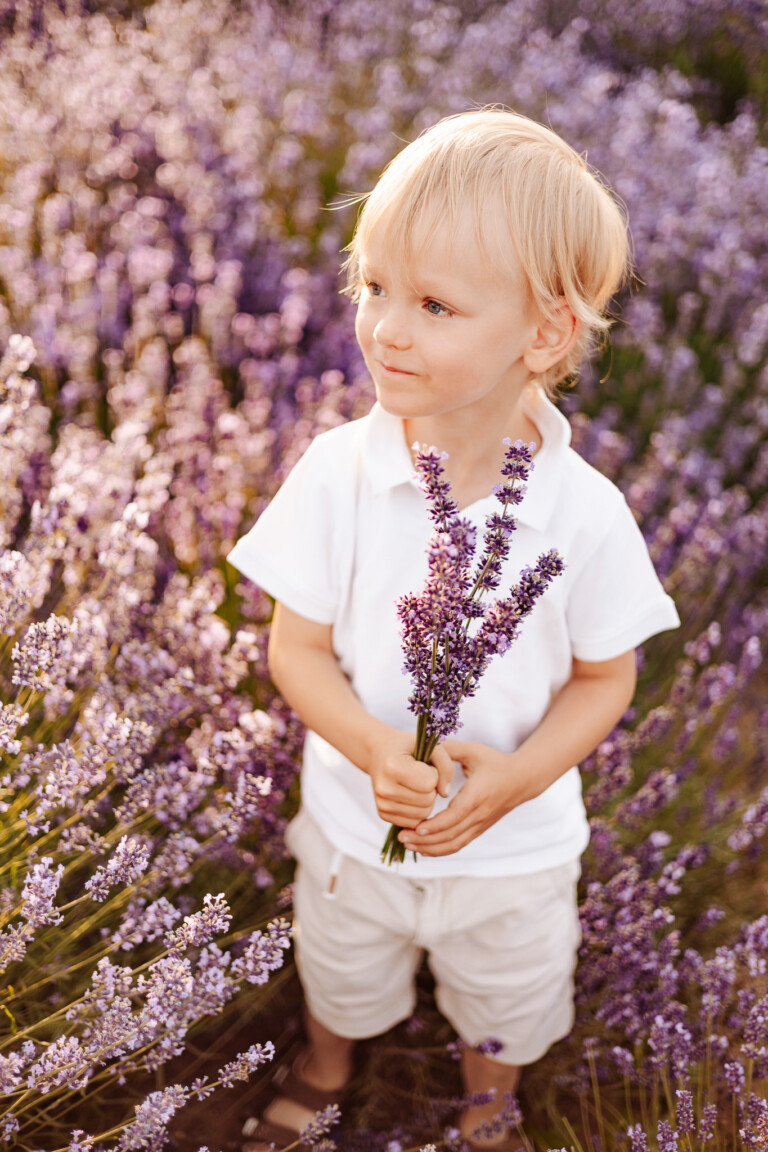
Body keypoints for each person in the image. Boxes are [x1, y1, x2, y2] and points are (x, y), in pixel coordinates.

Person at [227, 108, 680, 1151]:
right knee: (341, 967)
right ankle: (328, 1063)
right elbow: (294, 649)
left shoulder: (585, 513)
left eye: (433, 304)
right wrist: (379, 748)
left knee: (505, 998)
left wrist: (516, 780)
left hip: (514, 852)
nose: (385, 325)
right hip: (354, 828)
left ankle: (488, 1109)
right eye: (373, 285)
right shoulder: (342, 473)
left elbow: (606, 679)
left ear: (545, 334)